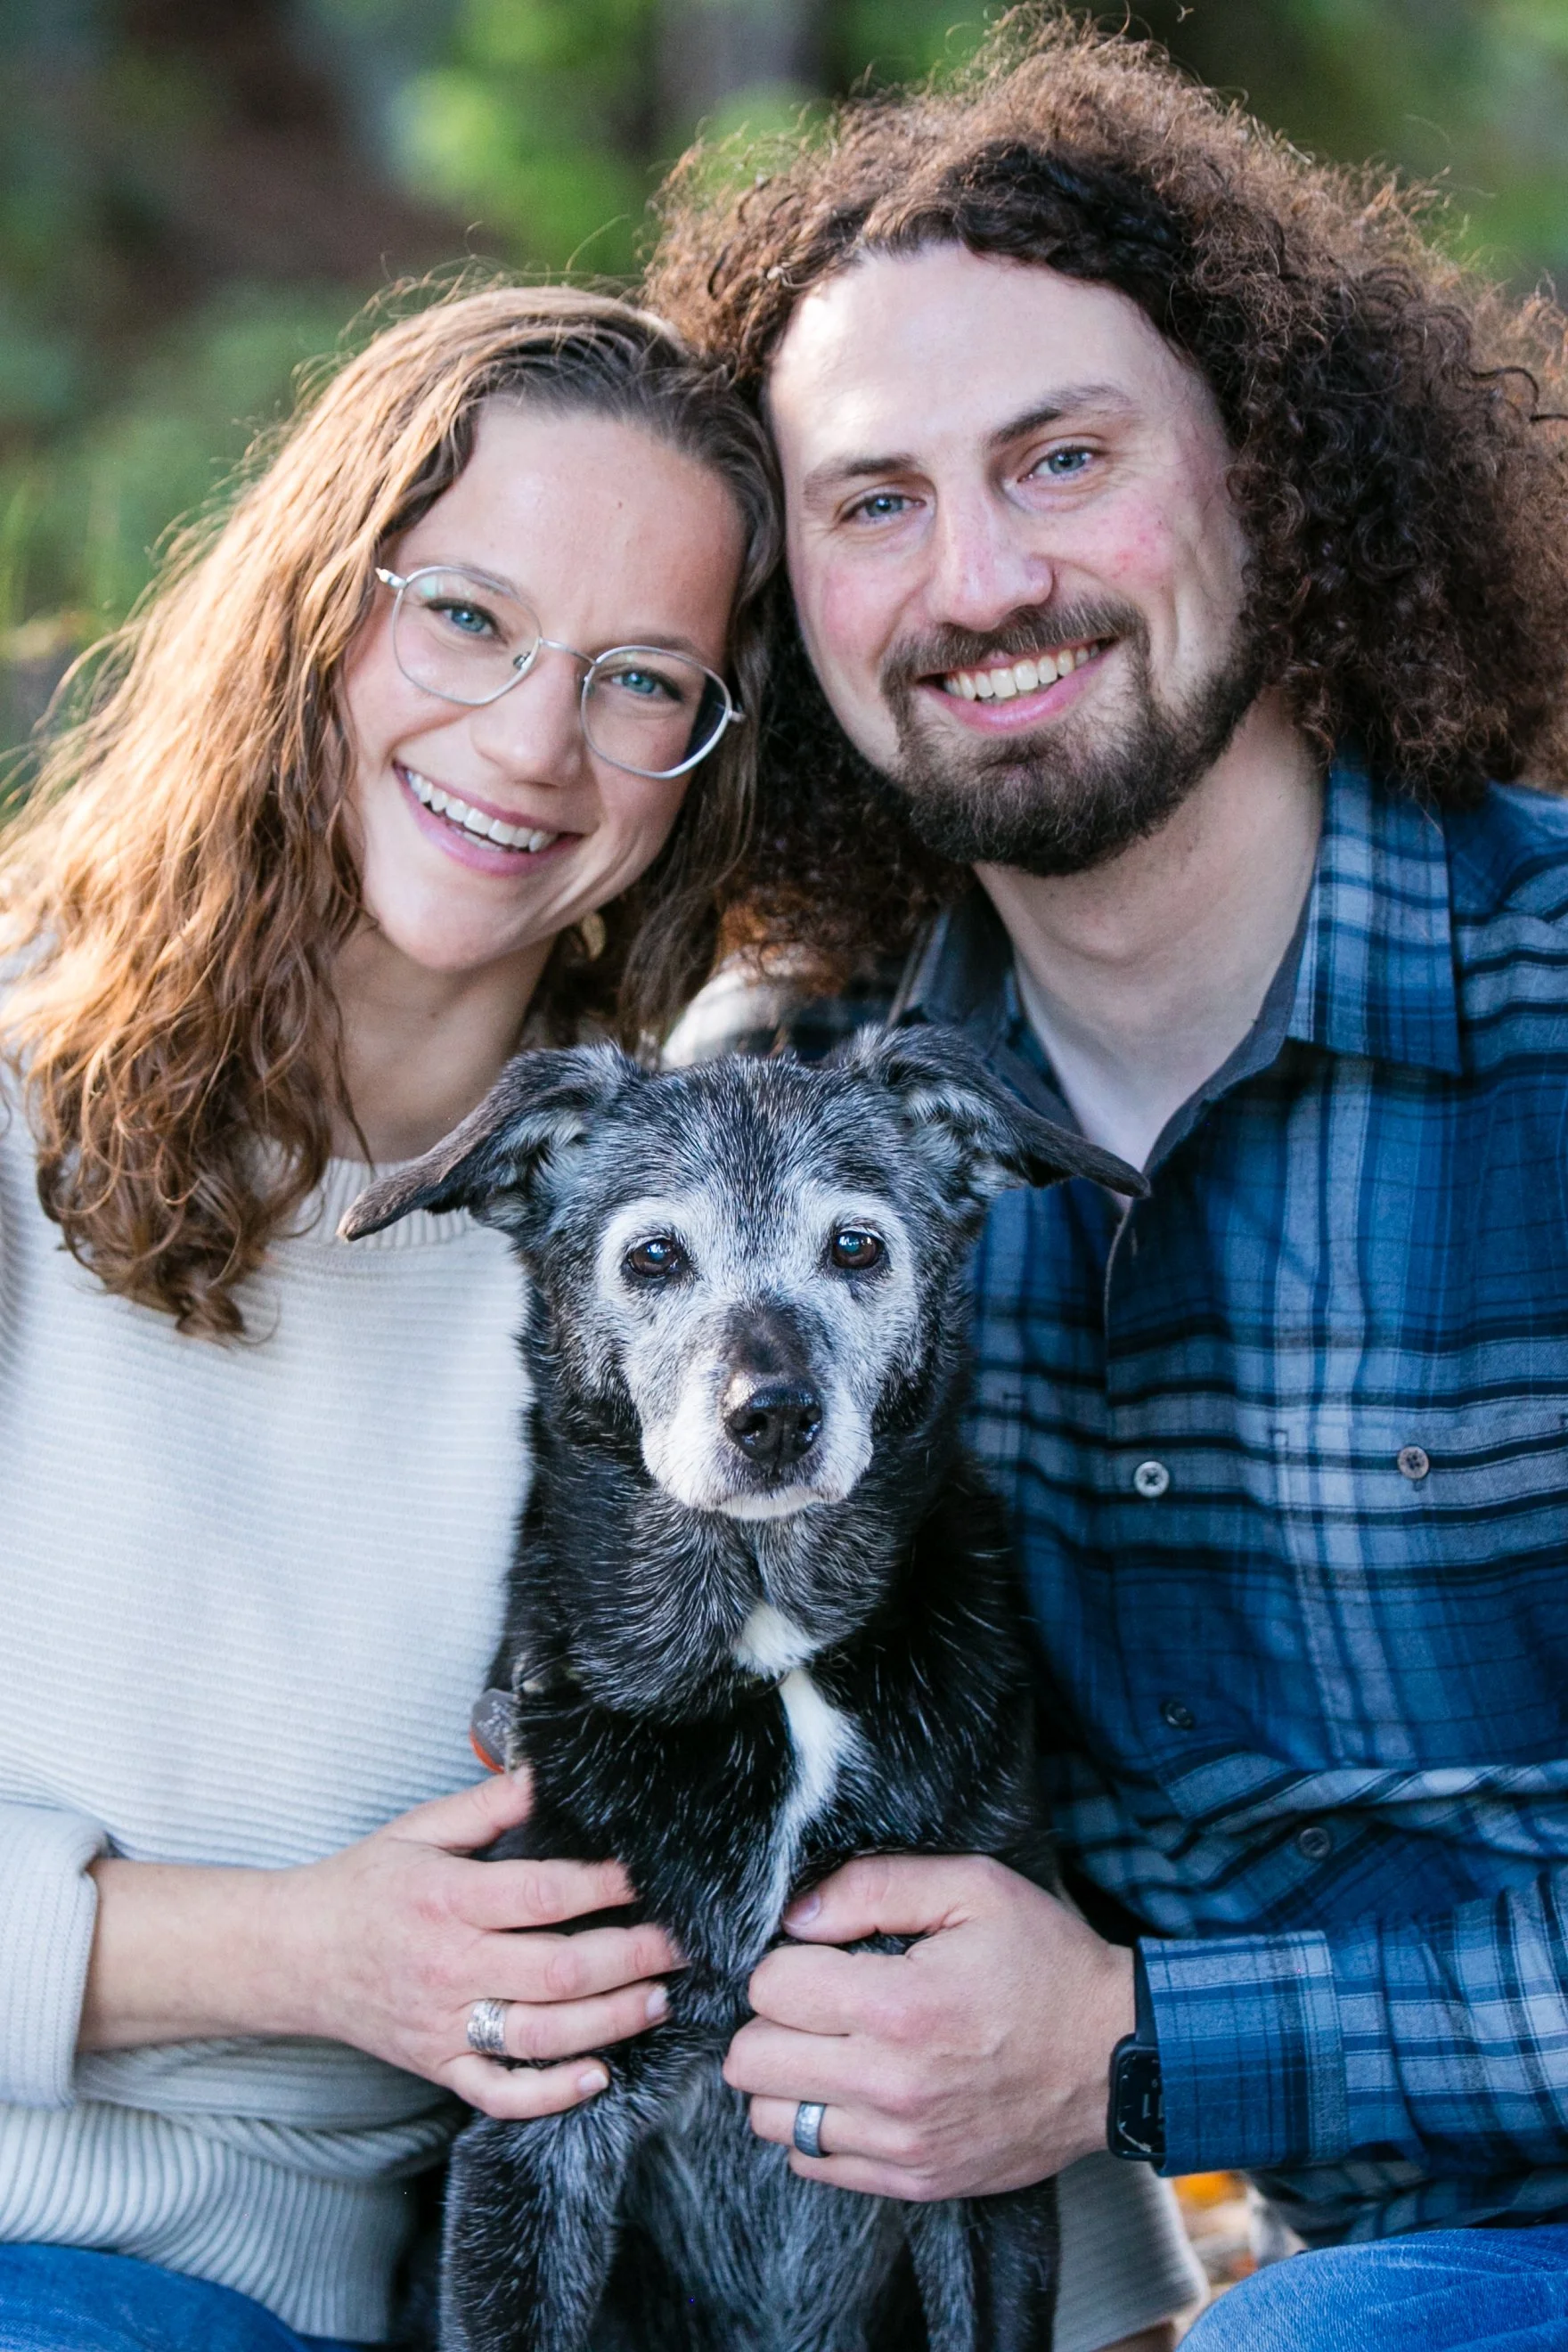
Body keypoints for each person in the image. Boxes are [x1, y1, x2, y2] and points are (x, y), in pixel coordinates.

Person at [0, 278, 1197, 2352]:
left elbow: (844, 1866)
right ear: (315, 604)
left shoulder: (665, 1238)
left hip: (351, 2305)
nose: (537, 740)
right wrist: (289, 1957)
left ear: (709, 755)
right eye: (463, 617)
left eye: (641, 677)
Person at [647, 11, 1568, 2346]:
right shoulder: (811, 1136)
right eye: (875, 504)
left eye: (1060, 461)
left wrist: (1144, 2034)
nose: (978, 583)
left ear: (1272, 475)